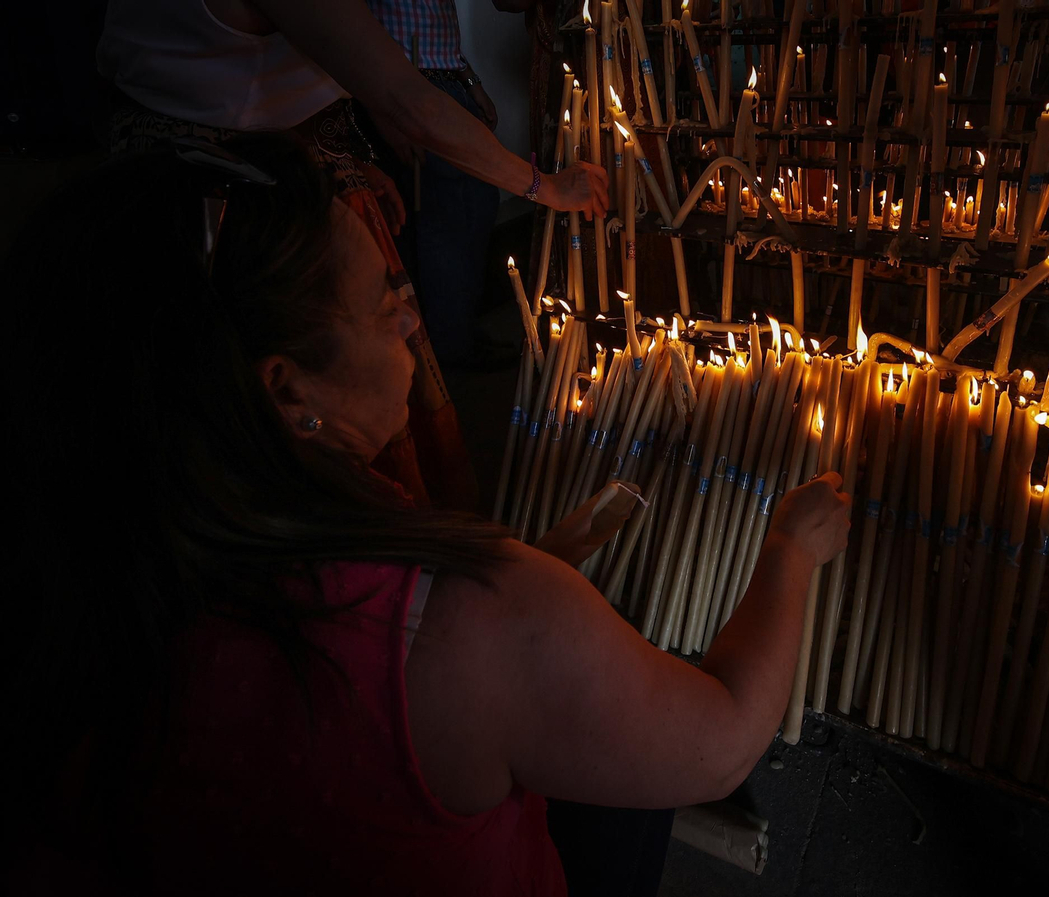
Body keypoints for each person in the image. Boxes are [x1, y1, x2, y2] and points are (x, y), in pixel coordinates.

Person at [4, 136, 850, 893]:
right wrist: (789, 549)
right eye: (382, 304)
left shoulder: (77, 575)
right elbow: (725, 741)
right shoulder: (463, 624)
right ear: (286, 387)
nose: (414, 320)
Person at [96, 0, 610, 508]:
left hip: (257, 179)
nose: (408, 322)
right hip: (247, 214)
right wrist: (545, 187)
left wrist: (351, 157)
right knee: (282, 407)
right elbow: (411, 101)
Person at [360, 0, 514, 367]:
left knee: (464, 217)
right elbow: (361, 31)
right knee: (446, 222)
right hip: (409, 87)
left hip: (441, 81)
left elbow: (432, 24)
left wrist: (467, 77)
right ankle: (445, 355)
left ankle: (452, 340)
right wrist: (387, 108)